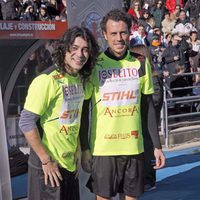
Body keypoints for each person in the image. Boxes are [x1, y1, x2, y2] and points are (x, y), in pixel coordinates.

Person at [80, 9, 165, 200]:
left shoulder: (141, 62)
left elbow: (149, 108)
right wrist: (84, 148)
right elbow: (85, 111)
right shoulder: (93, 65)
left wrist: (157, 146)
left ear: (129, 32)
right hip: (103, 149)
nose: (119, 38)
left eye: (123, 32)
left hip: (134, 147)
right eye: (113, 33)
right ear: (104, 35)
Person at [18, 26, 99, 200]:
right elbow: (26, 122)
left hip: (69, 165)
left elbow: (76, 118)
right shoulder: (46, 80)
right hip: (48, 168)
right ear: (64, 49)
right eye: (75, 48)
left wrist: (79, 149)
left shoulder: (80, 80)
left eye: (85, 49)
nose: (80, 54)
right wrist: (46, 160)